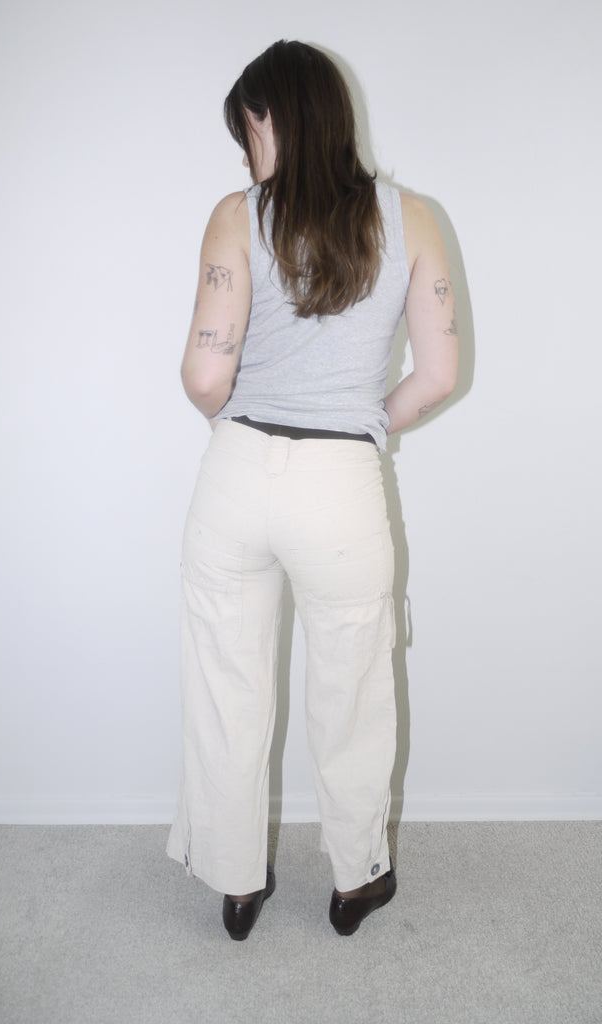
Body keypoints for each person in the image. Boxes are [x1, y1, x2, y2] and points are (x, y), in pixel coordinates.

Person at [167, 40, 459, 940]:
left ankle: (238, 880)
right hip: (341, 483)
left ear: (274, 116)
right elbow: (439, 376)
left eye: (246, 129)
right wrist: (366, 414)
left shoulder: (234, 217)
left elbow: (206, 380)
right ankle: (355, 880)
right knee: (354, 690)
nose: (245, 154)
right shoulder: (412, 219)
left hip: (238, 474)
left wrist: (250, 421)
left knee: (228, 683)